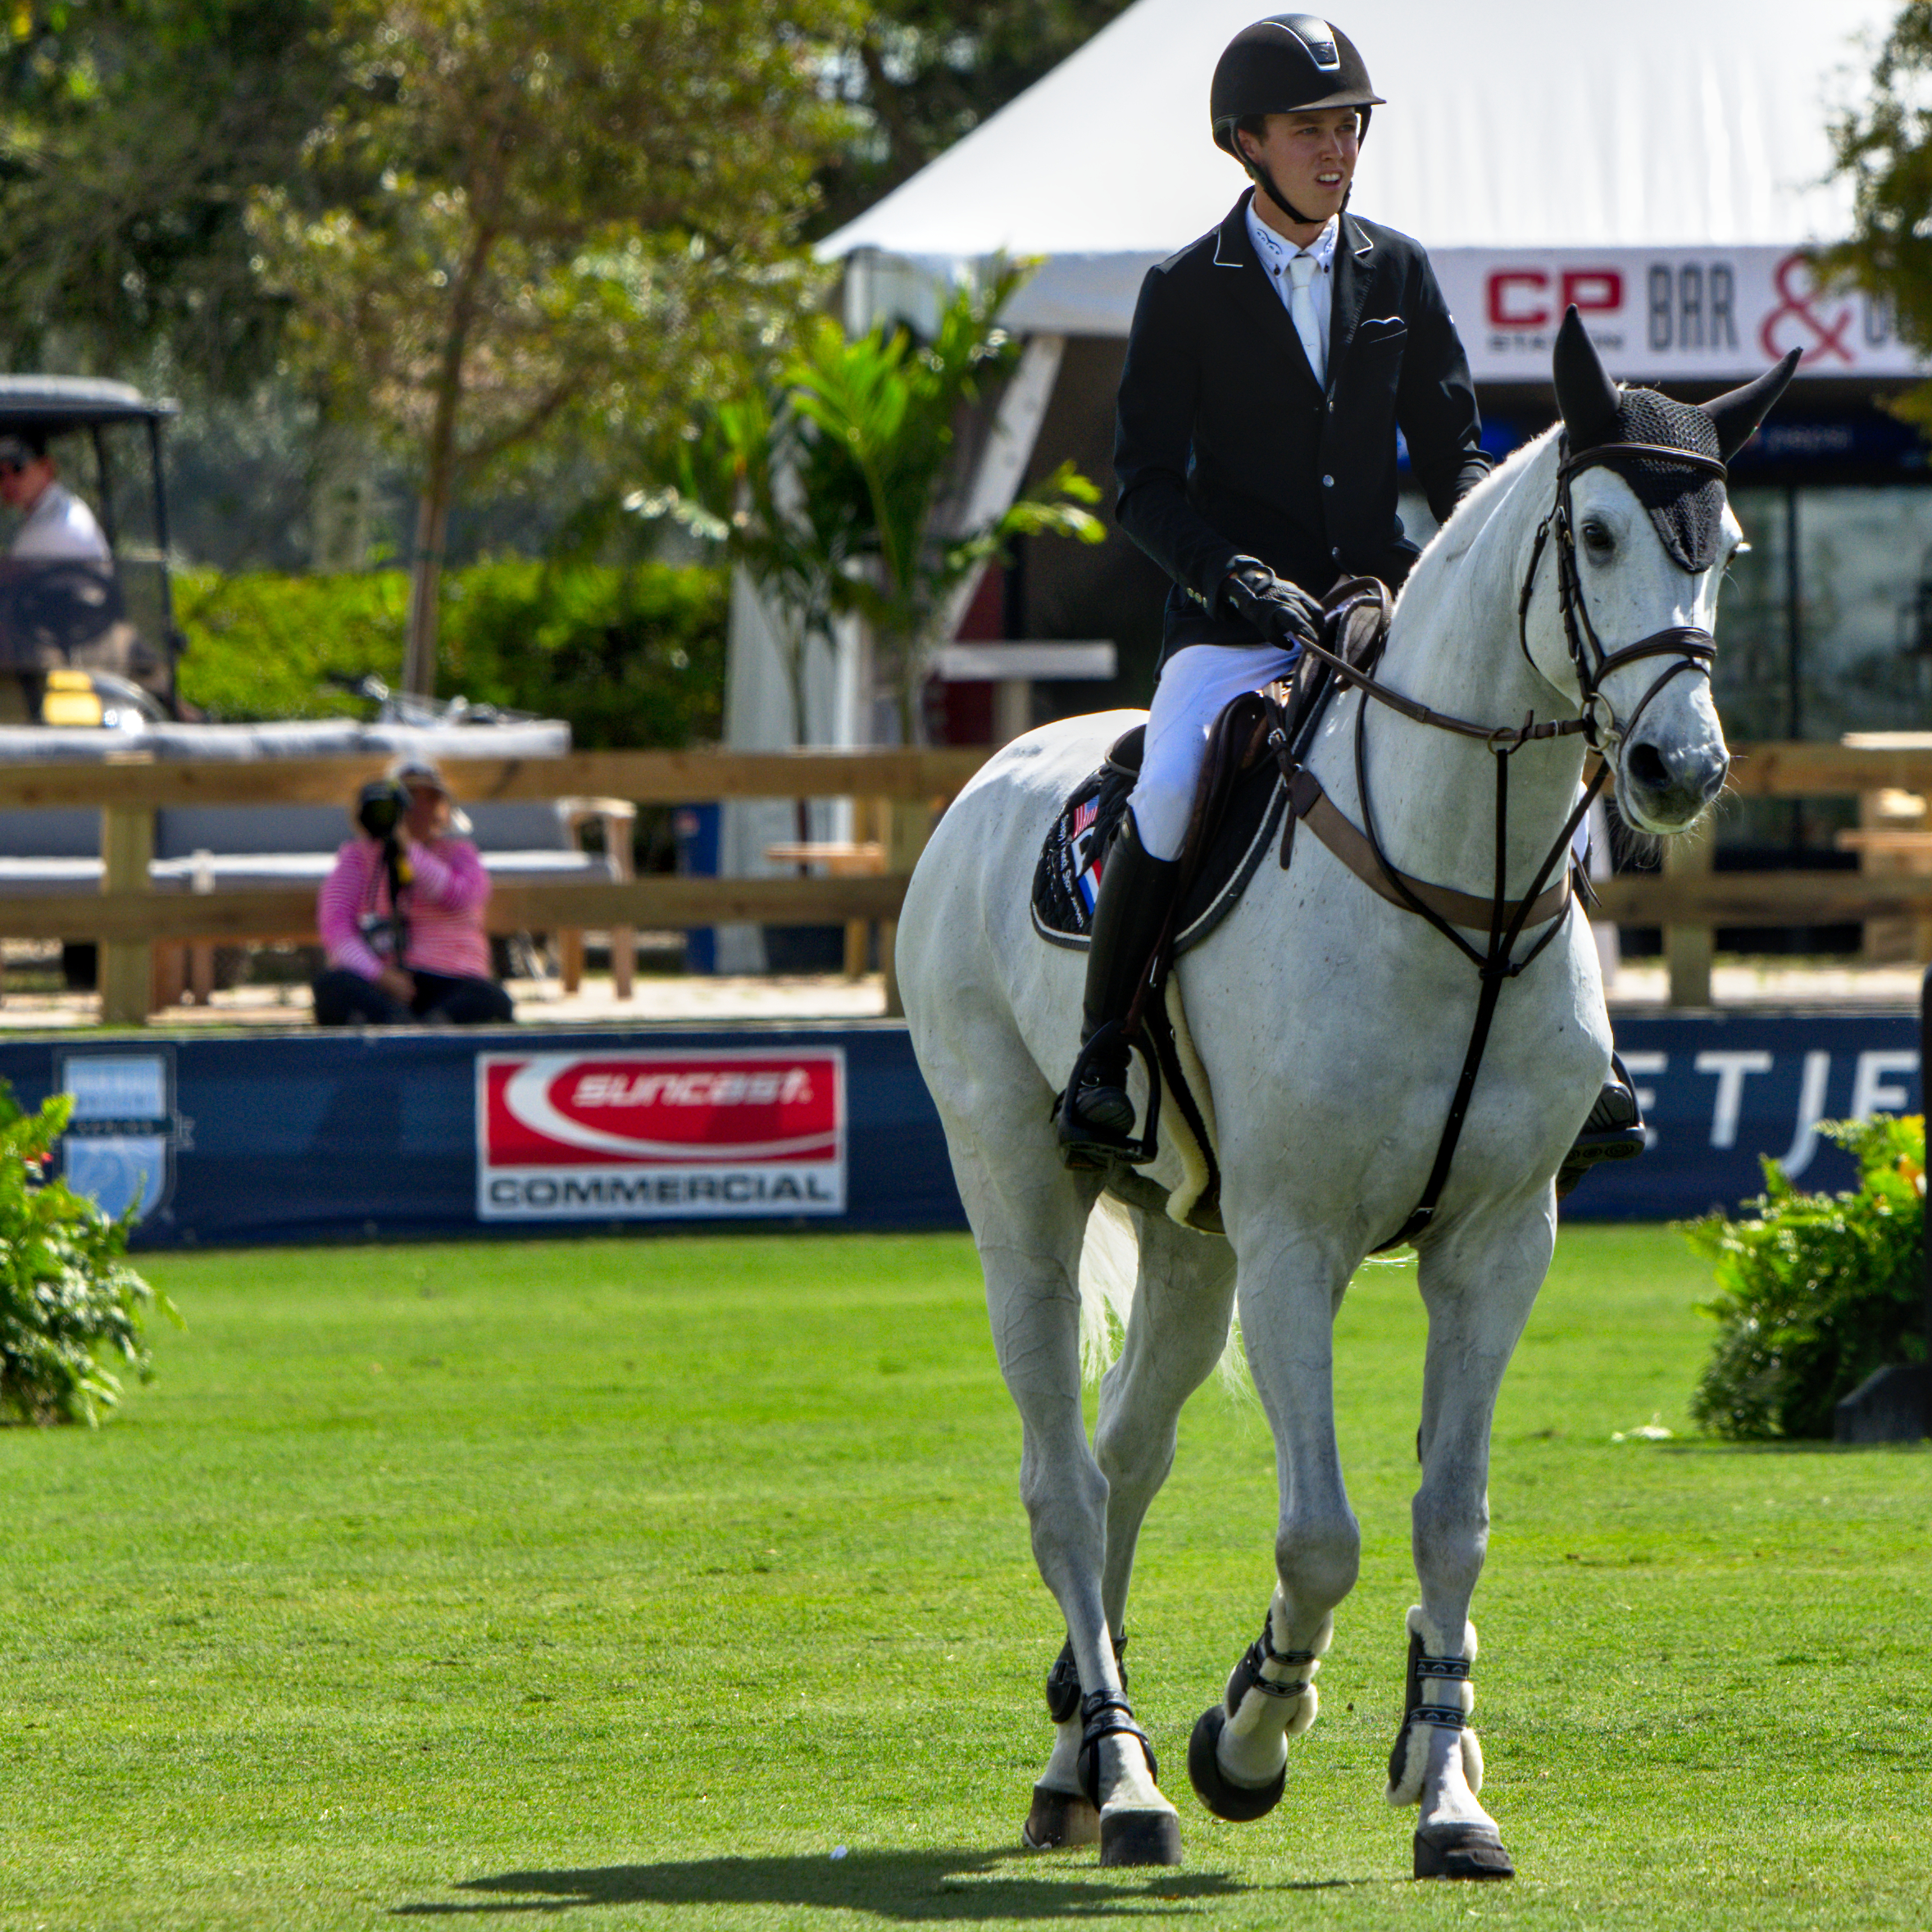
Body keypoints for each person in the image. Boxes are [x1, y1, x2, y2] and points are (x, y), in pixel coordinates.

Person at [1059, 12, 1643, 1195]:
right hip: (1231, 623)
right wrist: (1232, 577)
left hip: (1381, 602)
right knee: (1170, 782)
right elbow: (1143, 485)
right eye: (1310, 131)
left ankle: (1589, 1061)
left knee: (1528, 772)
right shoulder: (1183, 290)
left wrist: (1473, 545)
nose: (1336, 152)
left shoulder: (1398, 269)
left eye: (1348, 129)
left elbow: (1451, 450)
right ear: (1246, 142)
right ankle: (1105, 1052)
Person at [312, 758, 514, 1026]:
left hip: (451, 980)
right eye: (408, 798)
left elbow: (460, 897)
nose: (419, 808)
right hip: (383, 981)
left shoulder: (461, 853)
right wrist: (379, 975)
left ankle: (431, 1029)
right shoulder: (357, 857)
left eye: (430, 798)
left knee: (492, 1000)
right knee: (332, 987)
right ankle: (400, 1028)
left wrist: (410, 851)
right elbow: (336, 929)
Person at [0, 434, 111, 563]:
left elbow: (12, 578)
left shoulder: (56, 523)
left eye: (17, 469)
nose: (8, 482)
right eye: (0, 474)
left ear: (47, 468)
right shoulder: (58, 509)